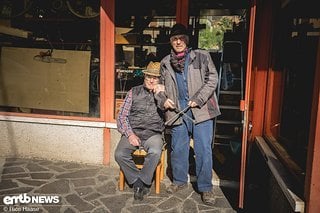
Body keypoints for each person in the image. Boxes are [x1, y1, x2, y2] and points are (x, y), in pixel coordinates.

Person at [157, 23, 221, 206]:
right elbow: (159, 87)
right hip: (177, 111)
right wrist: (163, 100)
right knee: (178, 148)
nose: (178, 42)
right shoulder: (165, 62)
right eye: (174, 39)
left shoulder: (201, 56)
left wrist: (199, 98)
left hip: (201, 110)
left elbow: (213, 79)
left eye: (181, 38)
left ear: (187, 39)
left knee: (203, 150)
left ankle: (206, 188)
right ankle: (178, 181)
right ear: (171, 41)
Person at [114, 61, 165, 201]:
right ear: (144, 77)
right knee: (119, 154)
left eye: (155, 77)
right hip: (134, 132)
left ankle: (141, 182)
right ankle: (138, 181)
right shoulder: (134, 92)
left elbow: (171, 114)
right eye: (148, 76)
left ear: (160, 79)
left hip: (153, 133)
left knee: (155, 151)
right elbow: (122, 116)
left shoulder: (164, 94)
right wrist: (129, 134)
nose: (151, 80)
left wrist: (161, 95)